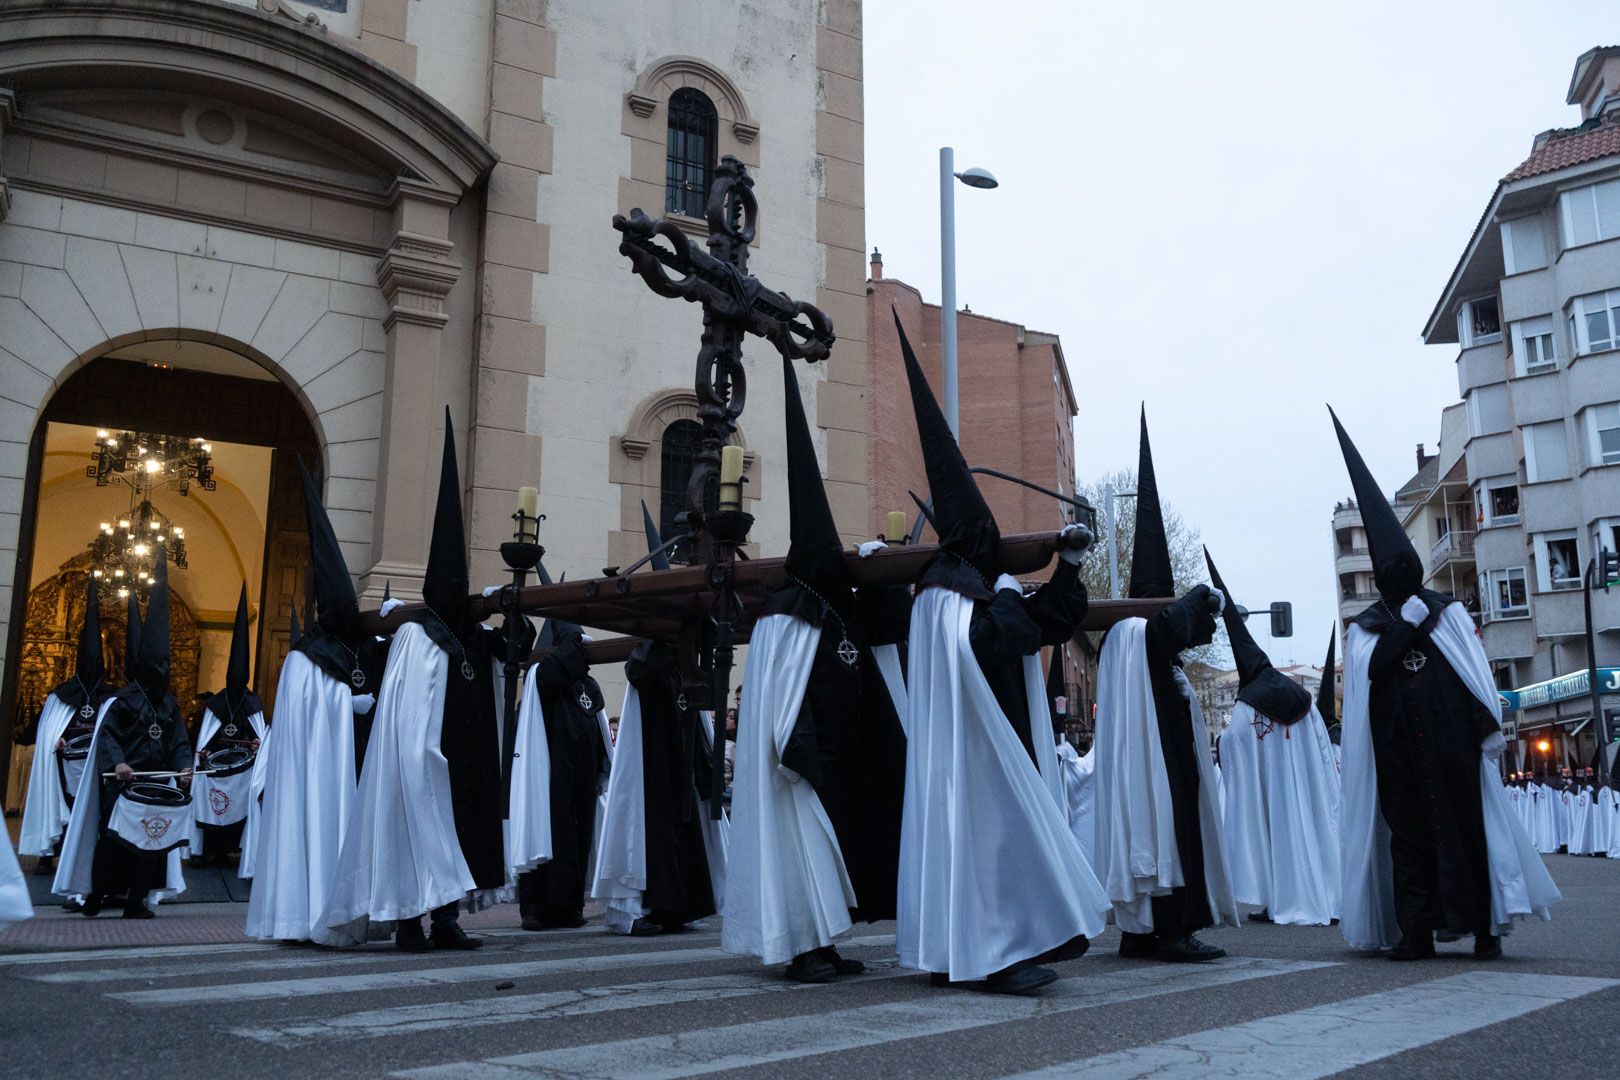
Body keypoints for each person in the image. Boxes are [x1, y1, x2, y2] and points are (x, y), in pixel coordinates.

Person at [890, 314, 1109, 994]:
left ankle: (974, 949)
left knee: (990, 850)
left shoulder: (969, 587)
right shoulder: (949, 590)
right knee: (984, 849)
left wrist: (1066, 570)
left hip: (987, 741)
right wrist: (1010, 592)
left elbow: (1039, 627)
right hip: (974, 751)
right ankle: (991, 954)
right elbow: (998, 639)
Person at [1331, 408, 1559, 960]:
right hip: (1399, 755)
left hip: (1454, 747)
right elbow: (1372, 674)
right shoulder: (1368, 632)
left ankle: (1485, 928)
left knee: (1469, 834)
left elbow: (1473, 675)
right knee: (1409, 842)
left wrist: (1485, 729)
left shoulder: (1449, 614)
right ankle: (1415, 932)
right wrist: (1403, 625)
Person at [724, 354, 914, 983]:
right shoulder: (789, 613)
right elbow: (780, 692)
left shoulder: (838, 612)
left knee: (832, 856)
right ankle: (800, 948)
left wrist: (885, 584)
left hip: (840, 761)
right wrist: (795, 743)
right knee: (799, 853)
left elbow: (887, 643)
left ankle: (826, 943)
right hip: (800, 764)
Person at [322, 412, 509, 951]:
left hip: (463, 759)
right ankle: (408, 922)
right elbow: (404, 709)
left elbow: (509, 656)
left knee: (456, 838)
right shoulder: (415, 635)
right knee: (416, 838)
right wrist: (416, 759)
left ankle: (447, 921)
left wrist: (512, 619)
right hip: (420, 761)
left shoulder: (470, 636)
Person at [1092, 410, 1237, 962]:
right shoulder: (1133, 635)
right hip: (1153, 769)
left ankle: (1146, 930)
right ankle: (1163, 930)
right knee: (1165, 828)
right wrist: (1201, 598)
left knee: (1176, 825)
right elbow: (1169, 627)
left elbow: (1177, 634)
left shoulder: (1152, 650)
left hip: (1169, 762)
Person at [245, 461, 376, 942]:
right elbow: (303, 721)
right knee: (310, 829)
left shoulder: (353, 647)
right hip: (315, 772)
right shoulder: (305, 658)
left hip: (351, 763)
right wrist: (348, 705)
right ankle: (298, 918)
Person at [595, 504, 724, 936]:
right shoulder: (650, 657)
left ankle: (681, 906)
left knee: (683, 828)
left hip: (679, 761)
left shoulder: (676, 660)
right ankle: (656, 905)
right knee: (658, 828)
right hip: (654, 762)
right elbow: (638, 671)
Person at [1207, 550, 1340, 927]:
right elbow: (1319, 745)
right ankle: (1325, 895)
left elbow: (1231, 744)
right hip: (1306, 785)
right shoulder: (1301, 697)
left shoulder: (1249, 703)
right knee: (1311, 833)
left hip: (1271, 788)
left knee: (1275, 837)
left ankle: (1279, 898)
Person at [54, 556, 191, 917]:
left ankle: (137, 901)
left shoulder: (169, 704)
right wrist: (119, 762)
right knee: (114, 842)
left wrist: (184, 766)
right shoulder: (123, 701)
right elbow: (108, 737)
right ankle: (98, 896)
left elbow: (178, 740)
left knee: (151, 841)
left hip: (156, 783)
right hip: (123, 783)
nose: (162, 673)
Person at [518, 606, 612, 931]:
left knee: (576, 840)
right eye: (576, 644)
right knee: (546, 835)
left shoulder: (586, 684)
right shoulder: (541, 678)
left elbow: (596, 723)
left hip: (580, 778)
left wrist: (601, 765)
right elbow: (551, 676)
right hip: (547, 776)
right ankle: (535, 907)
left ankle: (569, 905)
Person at [19, 576, 106, 872]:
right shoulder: (62, 696)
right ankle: (48, 854)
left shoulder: (109, 697)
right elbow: (46, 732)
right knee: (61, 806)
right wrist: (55, 740)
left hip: (95, 766)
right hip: (64, 765)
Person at [188, 585, 266, 863]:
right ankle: (208, 850)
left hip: (241, 771)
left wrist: (259, 745)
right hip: (215, 771)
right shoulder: (215, 705)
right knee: (213, 804)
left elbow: (260, 737)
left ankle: (231, 849)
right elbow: (201, 738)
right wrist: (205, 752)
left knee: (239, 804)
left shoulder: (253, 703)